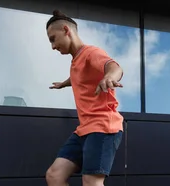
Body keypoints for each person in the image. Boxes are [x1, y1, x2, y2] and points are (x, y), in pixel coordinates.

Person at [44, 9, 124, 186]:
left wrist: (109, 77)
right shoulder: (75, 62)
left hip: (103, 126)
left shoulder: (91, 53)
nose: (53, 46)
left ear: (66, 30)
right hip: (84, 130)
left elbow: (114, 67)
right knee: (54, 176)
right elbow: (77, 77)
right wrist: (64, 83)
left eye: (53, 39)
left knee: (91, 182)